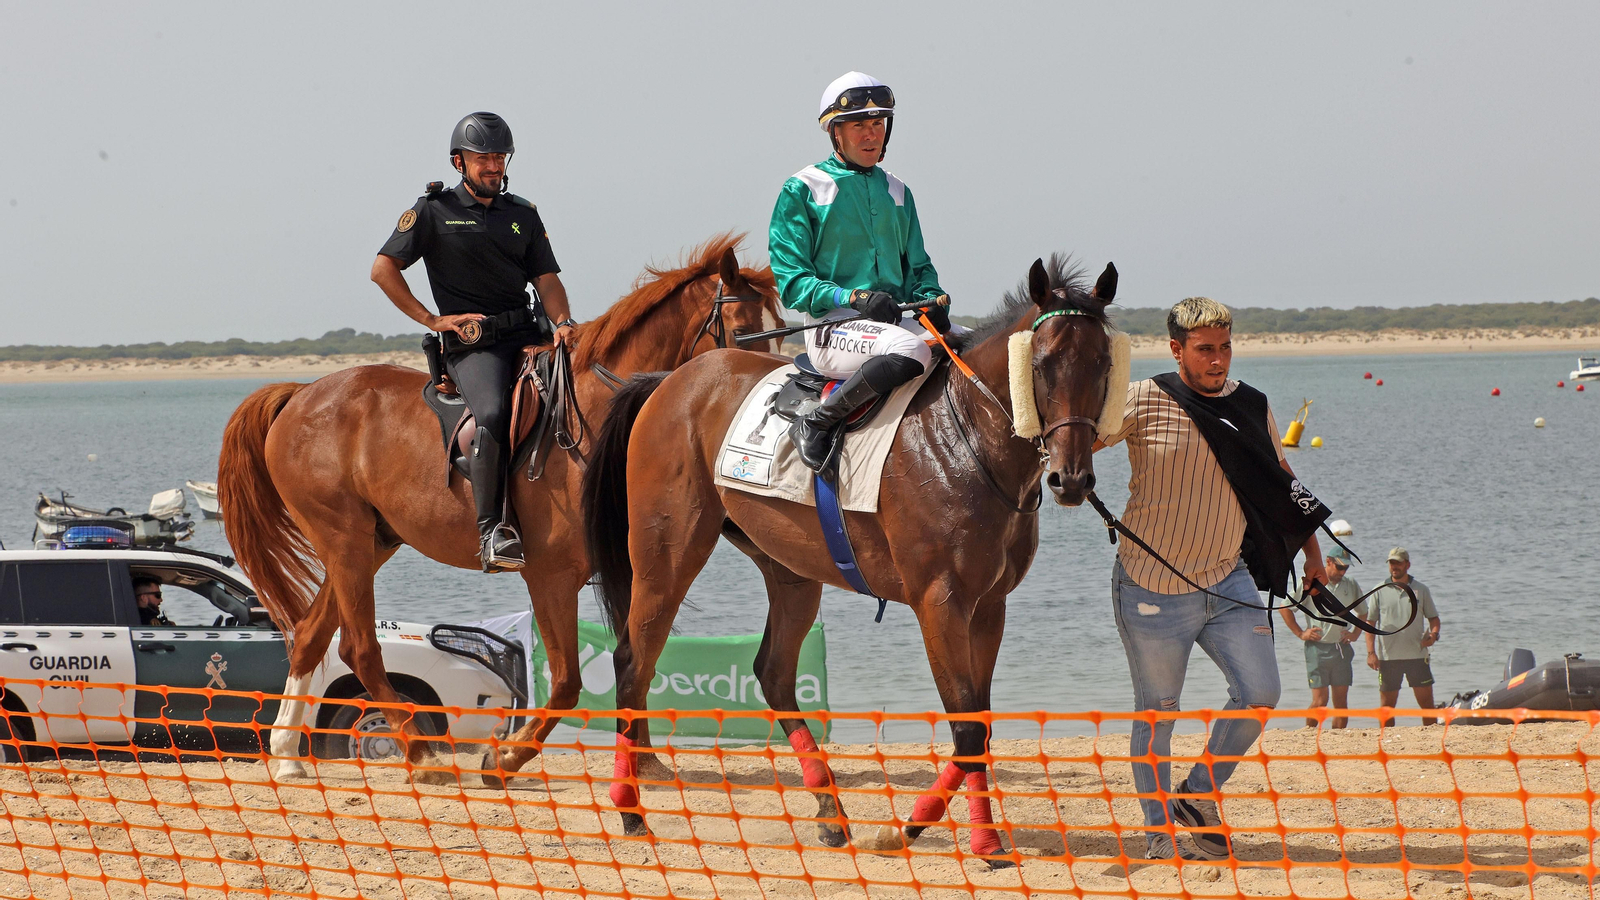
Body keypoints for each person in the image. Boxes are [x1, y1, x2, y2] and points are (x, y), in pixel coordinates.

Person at [1096, 297, 1331, 861]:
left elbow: (1283, 484)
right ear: (1177, 349)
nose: (1218, 359)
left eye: (1224, 347)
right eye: (1205, 350)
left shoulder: (1251, 405)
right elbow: (1077, 441)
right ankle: (1159, 836)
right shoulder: (1142, 399)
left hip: (1229, 578)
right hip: (1151, 582)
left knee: (1261, 693)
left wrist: (1313, 555)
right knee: (1158, 709)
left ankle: (1197, 795)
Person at [371, 112, 578, 571]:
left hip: (529, 333)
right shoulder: (432, 211)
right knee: (493, 413)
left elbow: (546, 279)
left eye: (500, 157)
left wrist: (564, 322)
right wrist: (432, 319)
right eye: (483, 157)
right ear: (458, 162)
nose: (494, 166)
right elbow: (383, 270)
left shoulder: (523, 214)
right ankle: (492, 531)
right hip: (474, 347)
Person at [768, 72, 954, 470]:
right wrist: (852, 297)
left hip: (895, 323)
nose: (871, 135)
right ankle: (816, 423)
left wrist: (932, 298)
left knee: (973, 344)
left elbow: (919, 267)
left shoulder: (899, 191)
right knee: (912, 350)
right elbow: (791, 282)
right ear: (836, 132)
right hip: (831, 329)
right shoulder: (801, 189)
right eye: (859, 126)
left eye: (877, 124)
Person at [1279, 545, 1363, 728]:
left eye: (1346, 568)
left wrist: (1355, 634)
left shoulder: (1351, 585)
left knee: (1341, 705)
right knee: (1320, 702)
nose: (1342, 571)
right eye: (1339, 567)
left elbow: (1363, 613)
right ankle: (1308, 734)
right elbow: (1285, 608)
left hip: (1341, 648)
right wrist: (1301, 633)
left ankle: (1338, 742)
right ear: (1328, 562)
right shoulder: (1311, 584)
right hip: (1317, 648)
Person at [1365, 547, 1441, 726]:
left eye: (1398, 563)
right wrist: (1371, 653)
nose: (1394, 567)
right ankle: (1385, 742)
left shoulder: (1421, 590)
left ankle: (1431, 741)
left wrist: (1433, 635)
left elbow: (1434, 619)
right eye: (1392, 563)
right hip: (1388, 658)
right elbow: (1370, 624)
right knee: (1387, 707)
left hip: (1417, 656)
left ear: (1407, 565)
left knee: (1427, 706)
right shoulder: (1379, 590)